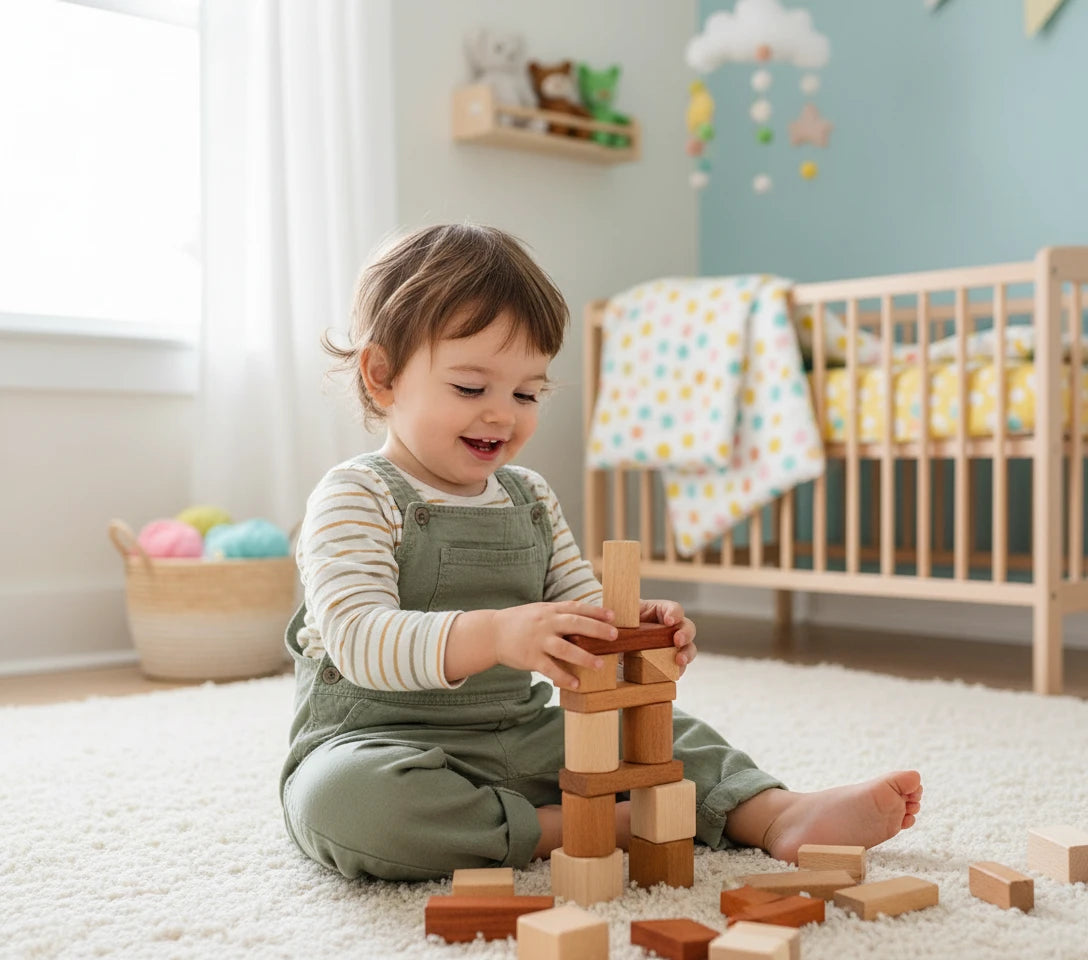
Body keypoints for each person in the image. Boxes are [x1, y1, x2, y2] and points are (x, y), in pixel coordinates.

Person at [279, 222, 923, 882]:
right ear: (383, 376)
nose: (503, 415)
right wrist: (498, 634)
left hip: (519, 735)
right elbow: (358, 637)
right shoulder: (355, 497)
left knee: (667, 736)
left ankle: (777, 813)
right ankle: (592, 825)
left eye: (527, 392)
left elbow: (585, 614)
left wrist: (637, 633)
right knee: (351, 806)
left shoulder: (528, 496)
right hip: (378, 742)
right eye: (472, 389)